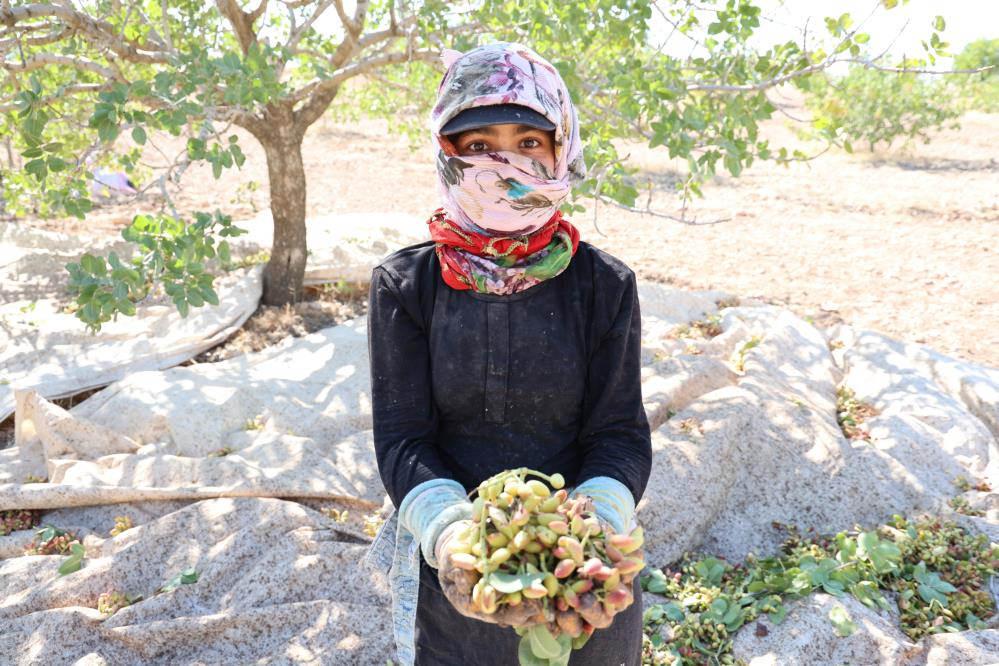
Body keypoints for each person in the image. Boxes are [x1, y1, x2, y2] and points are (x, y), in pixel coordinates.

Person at [365, 42, 652, 666]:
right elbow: (403, 440)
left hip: (583, 581)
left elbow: (619, 433)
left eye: (528, 142)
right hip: (459, 576)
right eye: (477, 147)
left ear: (561, 150)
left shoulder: (604, 285)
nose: (504, 167)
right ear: (447, 155)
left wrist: (592, 528)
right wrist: (455, 535)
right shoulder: (405, 286)